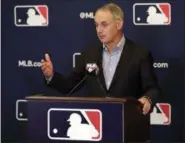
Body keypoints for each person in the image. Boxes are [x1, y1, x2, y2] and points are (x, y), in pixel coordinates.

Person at [41, 3, 161, 115]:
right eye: (96, 25)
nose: (99, 30)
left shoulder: (140, 54)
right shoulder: (89, 54)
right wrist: (51, 75)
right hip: (98, 123)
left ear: (119, 24)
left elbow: (152, 88)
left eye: (104, 24)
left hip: (128, 122)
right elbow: (70, 86)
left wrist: (147, 99)